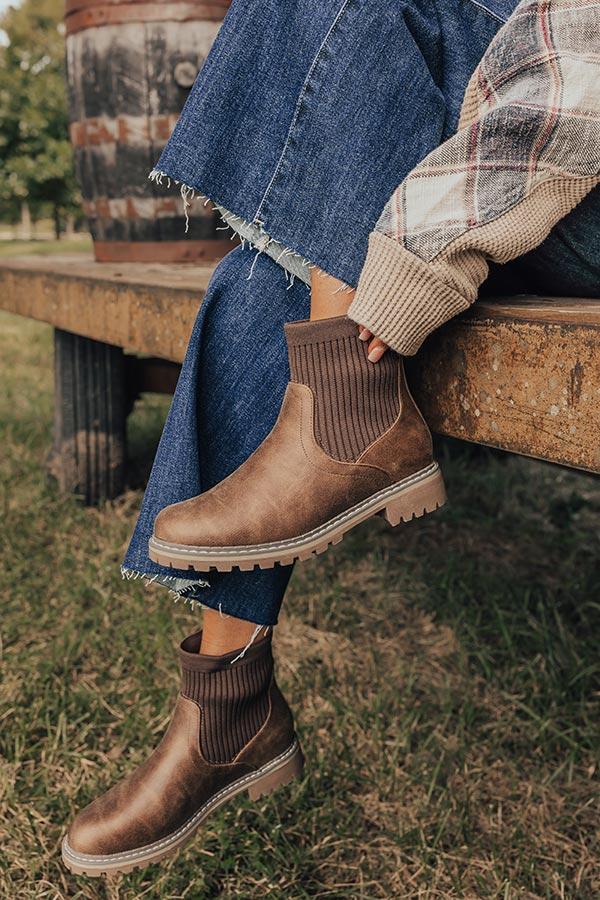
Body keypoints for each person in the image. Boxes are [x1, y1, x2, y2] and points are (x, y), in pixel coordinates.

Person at [61, 0, 600, 877]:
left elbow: (577, 92)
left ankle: (232, 703)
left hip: (577, 156)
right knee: (274, 270)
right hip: (532, 141)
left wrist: (396, 275)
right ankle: (228, 701)